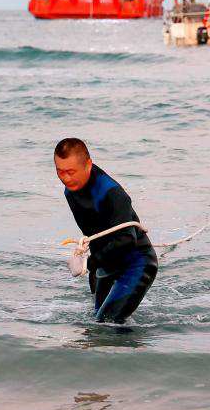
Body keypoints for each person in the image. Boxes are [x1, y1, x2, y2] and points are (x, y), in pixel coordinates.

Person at [54, 138, 158, 323]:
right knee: (97, 323)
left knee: (108, 323)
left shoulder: (113, 194)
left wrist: (88, 264)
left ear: (88, 164)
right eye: (59, 171)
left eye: (71, 172)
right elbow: (96, 235)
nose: (65, 178)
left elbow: (127, 239)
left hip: (137, 262)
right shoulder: (70, 190)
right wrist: (94, 274)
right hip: (106, 264)